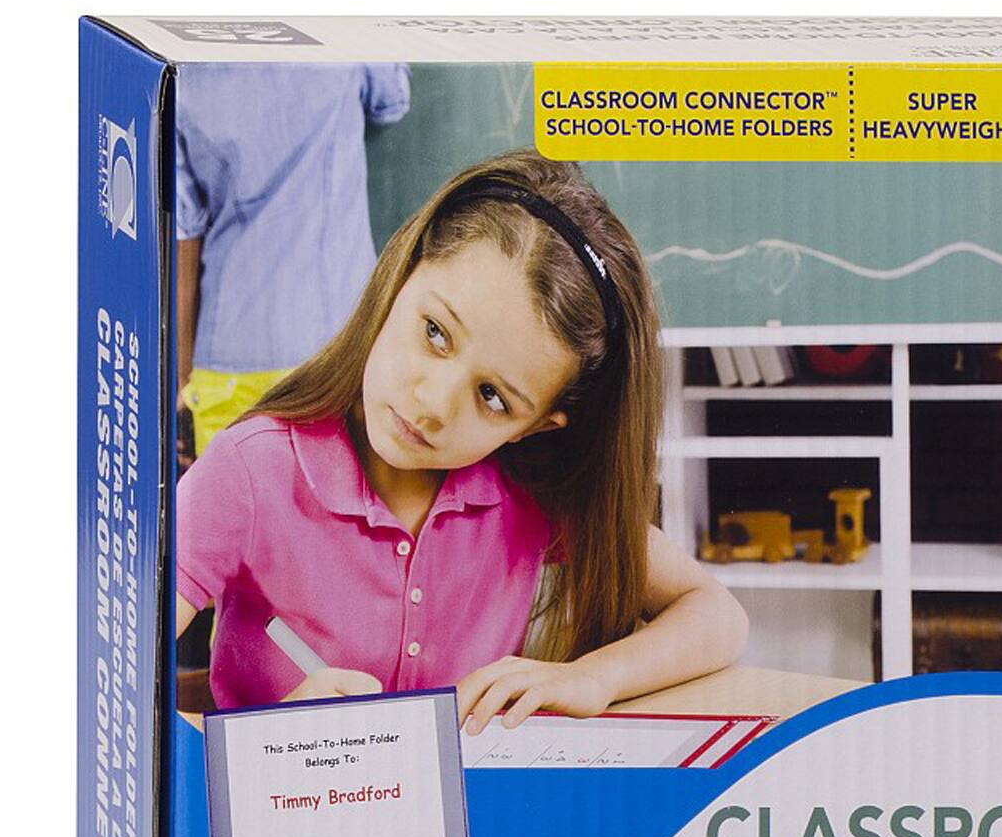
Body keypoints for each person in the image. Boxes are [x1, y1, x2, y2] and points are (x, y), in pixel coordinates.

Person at [174, 151, 748, 731]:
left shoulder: (526, 495)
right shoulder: (251, 470)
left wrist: (593, 677)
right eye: (435, 332)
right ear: (402, 273)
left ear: (535, 426)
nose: (433, 403)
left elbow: (717, 615)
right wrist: (272, 738)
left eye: (492, 397)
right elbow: (120, 673)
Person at [175, 62, 412, 463]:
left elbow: (184, 239)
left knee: (231, 502)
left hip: (229, 355)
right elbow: (392, 98)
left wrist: (180, 375)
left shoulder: (184, 78)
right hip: (342, 349)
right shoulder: (339, 47)